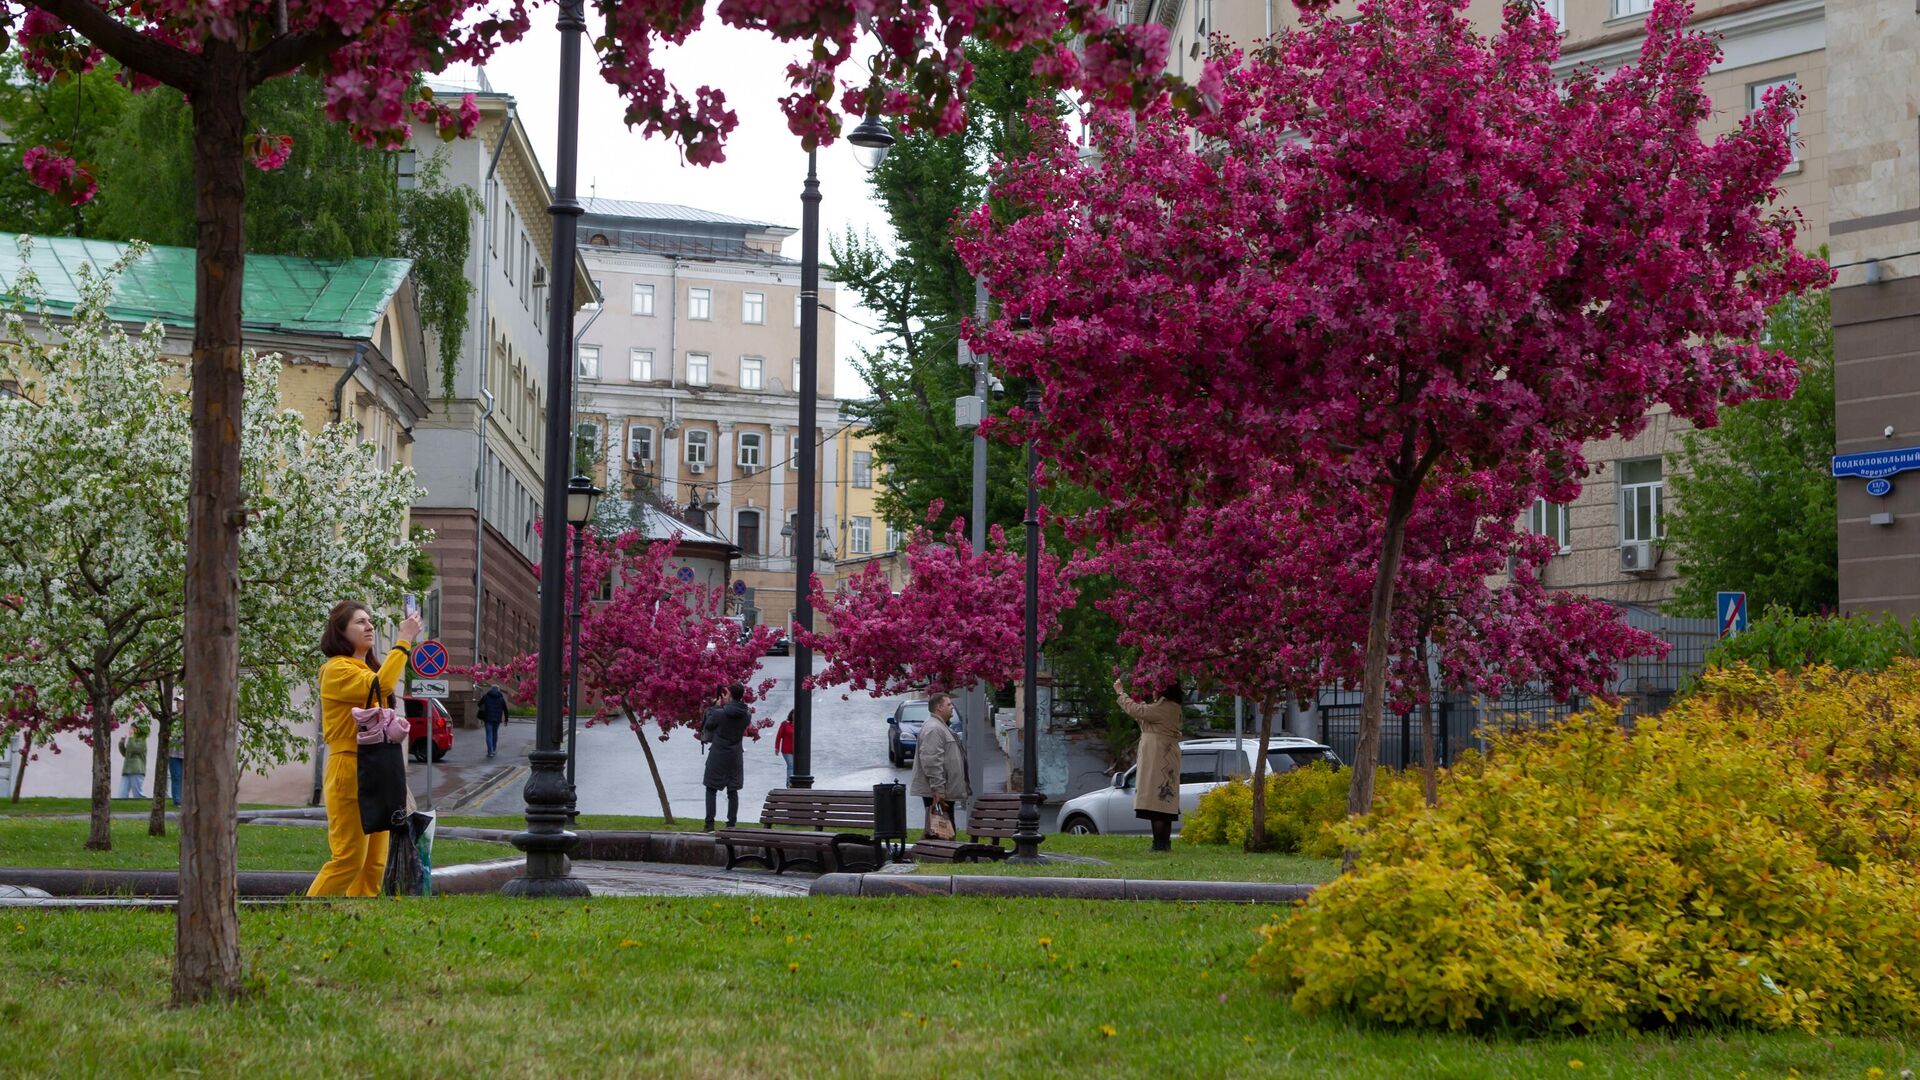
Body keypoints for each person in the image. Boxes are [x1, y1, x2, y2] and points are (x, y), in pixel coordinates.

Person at [308, 600, 419, 898]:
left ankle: (356, 919)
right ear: (340, 631)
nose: (369, 626)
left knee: (374, 863)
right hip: (349, 767)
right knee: (349, 859)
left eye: (370, 621)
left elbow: (380, 684)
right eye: (360, 622)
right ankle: (304, 917)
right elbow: (381, 686)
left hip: (378, 766)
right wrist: (403, 640)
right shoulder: (336, 670)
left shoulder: (365, 668)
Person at [1115, 677, 1183, 852]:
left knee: (1159, 804)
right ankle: (1161, 844)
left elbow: (1137, 711)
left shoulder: (1166, 707)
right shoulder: (1166, 707)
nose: (1153, 691)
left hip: (1159, 759)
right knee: (1161, 804)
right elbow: (1144, 718)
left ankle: (1160, 845)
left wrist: (1121, 693)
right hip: (1158, 757)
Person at [909, 692, 970, 829]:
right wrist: (938, 790)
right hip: (939, 793)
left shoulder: (940, 726)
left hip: (944, 791)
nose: (952, 707)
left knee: (942, 832)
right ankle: (934, 849)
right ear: (939, 708)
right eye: (948, 704)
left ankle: (937, 848)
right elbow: (932, 761)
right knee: (940, 833)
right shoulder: (934, 728)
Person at [702, 683, 752, 831]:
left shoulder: (719, 713)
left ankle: (709, 824)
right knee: (733, 790)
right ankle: (731, 824)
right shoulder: (747, 715)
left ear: (729, 695)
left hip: (718, 754)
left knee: (711, 788)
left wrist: (715, 707)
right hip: (735, 755)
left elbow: (708, 726)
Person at [117, 722, 148, 800]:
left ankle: (147, 807)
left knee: (138, 794)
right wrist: (121, 743)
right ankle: (122, 810)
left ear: (137, 730)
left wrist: (131, 737)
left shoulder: (142, 740)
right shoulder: (132, 740)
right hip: (127, 769)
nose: (130, 730)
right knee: (122, 794)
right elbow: (125, 753)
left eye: (132, 728)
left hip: (136, 770)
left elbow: (135, 749)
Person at [478, 683, 508, 759]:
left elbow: (479, 704)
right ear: (498, 690)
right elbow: (505, 709)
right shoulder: (501, 698)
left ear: (491, 689)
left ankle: (490, 752)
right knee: (495, 734)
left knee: (489, 735)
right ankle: (494, 749)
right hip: (497, 719)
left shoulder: (486, 696)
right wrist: (506, 719)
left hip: (487, 718)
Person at [167, 687, 185, 807]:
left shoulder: (189, 718)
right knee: (176, 776)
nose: (178, 704)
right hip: (173, 752)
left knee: (185, 777)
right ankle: (177, 800)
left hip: (185, 752)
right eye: (177, 702)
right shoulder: (173, 718)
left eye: (180, 702)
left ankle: (185, 799)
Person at [774, 709, 795, 783]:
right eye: (793, 714)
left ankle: (790, 782)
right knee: (791, 765)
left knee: (794, 767)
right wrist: (777, 748)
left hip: (796, 750)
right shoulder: (785, 724)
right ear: (791, 715)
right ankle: (789, 784)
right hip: (786, 750)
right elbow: (779, 736)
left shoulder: (800, 724)